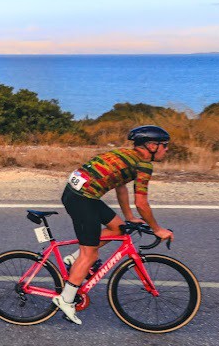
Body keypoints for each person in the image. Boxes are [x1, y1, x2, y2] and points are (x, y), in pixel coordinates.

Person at [52, 125, 174, 325]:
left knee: (118, 228)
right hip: (83, 199)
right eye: (164, 145)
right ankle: (65, 299)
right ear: (152, 145)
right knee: (90, 254)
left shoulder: (124, 155)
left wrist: (129, 217)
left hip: (80, 194)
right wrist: (157, 229)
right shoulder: (143, 164)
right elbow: (142, 203)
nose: (166, 149)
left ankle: (73, 260)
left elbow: (121, 188)